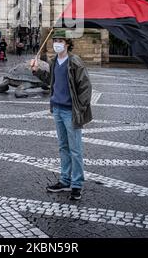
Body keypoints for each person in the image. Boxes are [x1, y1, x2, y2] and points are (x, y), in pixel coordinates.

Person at [31, 28, 92, 201]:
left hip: (70, 111)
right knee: (63, 147)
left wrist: (79, 108)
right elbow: (49, 81)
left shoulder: (75, 62)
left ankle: (77, 184)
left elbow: (86, 88)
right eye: (55, 40)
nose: (57, 43)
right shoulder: (53, 61)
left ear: (67, 44)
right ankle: (65, 181)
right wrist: (36, 71)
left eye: (60, 41)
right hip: (57, 109)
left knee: (75, 149)